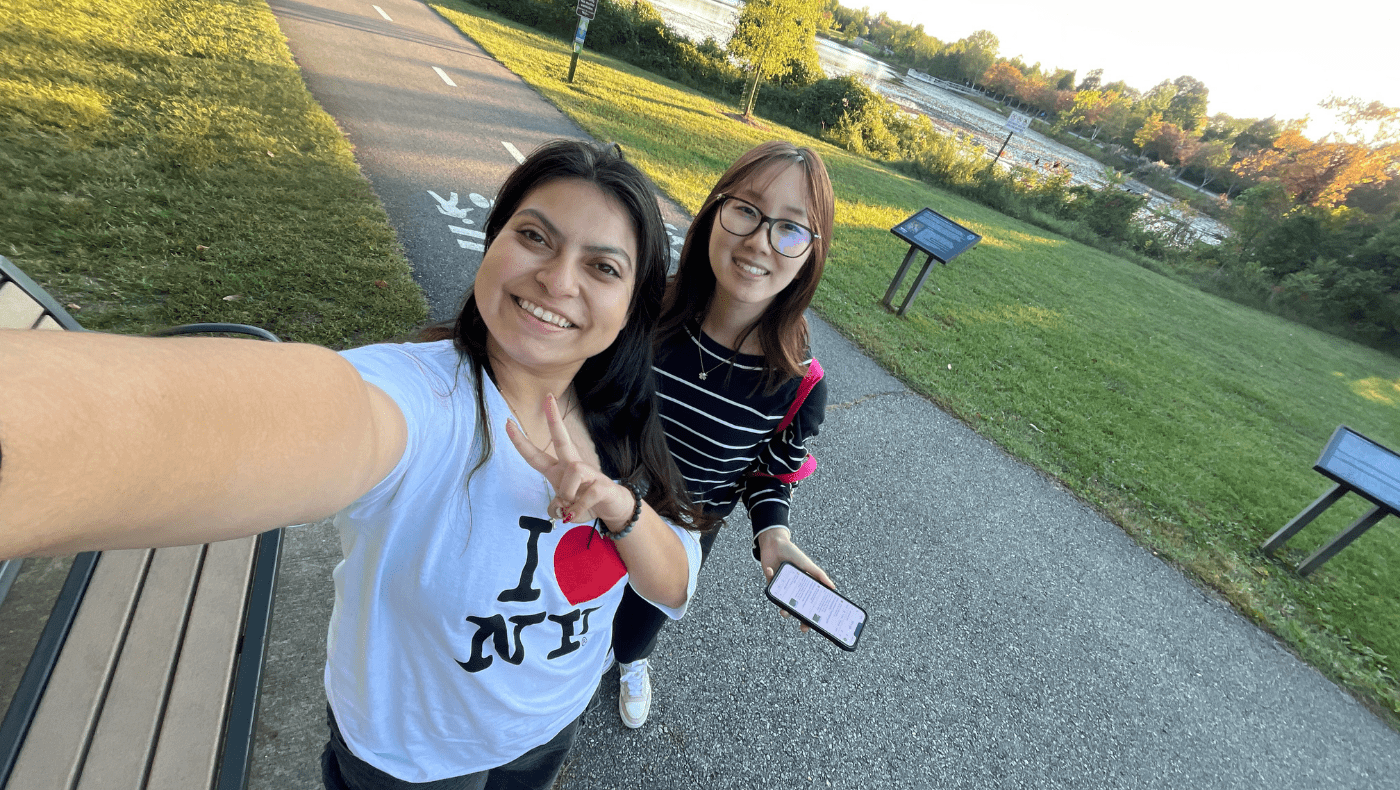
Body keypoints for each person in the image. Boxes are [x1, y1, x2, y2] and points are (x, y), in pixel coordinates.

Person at [0, 140, 705, 790]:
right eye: (533, 236)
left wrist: (618, 508)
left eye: (602, 266)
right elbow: (311, 420)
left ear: (631, 307)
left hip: (548, 729)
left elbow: (673, 585)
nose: (556, 278)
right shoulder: (419, 399)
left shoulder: (626, 418)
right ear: (491, 244)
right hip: (411, 760)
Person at [610, 140, 837, 728]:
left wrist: (774, 535)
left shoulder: (797, 380)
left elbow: (768, 468)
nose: (762, 240)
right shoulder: (639, 307)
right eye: (747, 210)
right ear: (715, 210)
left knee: (639, 619)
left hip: (682, 530)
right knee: (566, 616)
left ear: (811, 254)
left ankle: (632, 662)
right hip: (586, 504)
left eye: (792, 229)